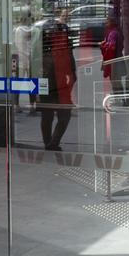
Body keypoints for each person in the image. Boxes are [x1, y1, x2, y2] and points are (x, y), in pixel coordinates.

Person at [39, 8, 76, 151]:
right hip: (56, 80)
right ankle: (51, 142)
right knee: (60, 113)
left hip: (54, 80)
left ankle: (50, 142)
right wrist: (72, 73)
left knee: (49, 114)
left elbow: (69, 53)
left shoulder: (49, 40)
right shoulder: (57, 34)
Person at [101, 15, 126, 101]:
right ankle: (119, 98)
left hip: (113, 59)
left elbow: (111, 47)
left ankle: (120, 98)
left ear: (112, 23)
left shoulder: (113, 33)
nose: (106, 23)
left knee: (115, 80)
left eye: (107, 22)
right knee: (116, 79)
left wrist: (103, 45)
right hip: (117, 57)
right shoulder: (117, 32)